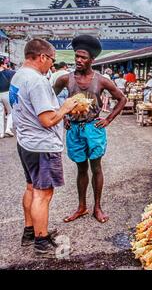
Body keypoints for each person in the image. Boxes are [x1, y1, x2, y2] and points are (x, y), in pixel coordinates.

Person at [10, 38, 78, 257]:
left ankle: (30, 233)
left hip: (26, 142)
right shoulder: (37, 81)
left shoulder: (18, 76)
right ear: (42, 57)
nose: (52, 64)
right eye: (52, 59)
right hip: (41, 146)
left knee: (31, 188)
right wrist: (65, 108)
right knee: (43, 194)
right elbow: (47, 119)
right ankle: (41, 243)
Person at [53, 35, 127, 224]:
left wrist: (109, 119)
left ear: (91, 60)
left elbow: (122, 99)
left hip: (93, 128)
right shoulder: (64, 79)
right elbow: (50, 99)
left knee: (96, 168)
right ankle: (81, 207)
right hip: (74, 129)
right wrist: (62, 117)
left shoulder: (101, 80)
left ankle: (97, 207)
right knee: (81, 169)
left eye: (83, 57)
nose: (78, 60)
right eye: (77, 56)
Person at [0, 57, 15, 138]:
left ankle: (1, 133)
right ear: (3, 64)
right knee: (11, 111)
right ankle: (8, 129)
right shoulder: (8, 72)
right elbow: (15, 73)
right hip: (6, 93)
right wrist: (6, 68)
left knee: (0, 114)